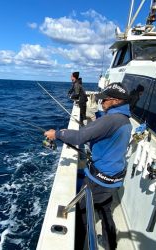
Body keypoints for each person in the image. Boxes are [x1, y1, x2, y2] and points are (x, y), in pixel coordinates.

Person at [45, 82, 132, 250]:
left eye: (104, 100)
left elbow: (79, 137)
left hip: (98, 179)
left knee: (82, 216)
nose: (101, 102)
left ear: (114, 100)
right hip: (114, 177)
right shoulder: (124, 119)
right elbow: (100, 133)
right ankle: (110, 244)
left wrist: (56, 134)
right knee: (105, 210)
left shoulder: (111, 120)